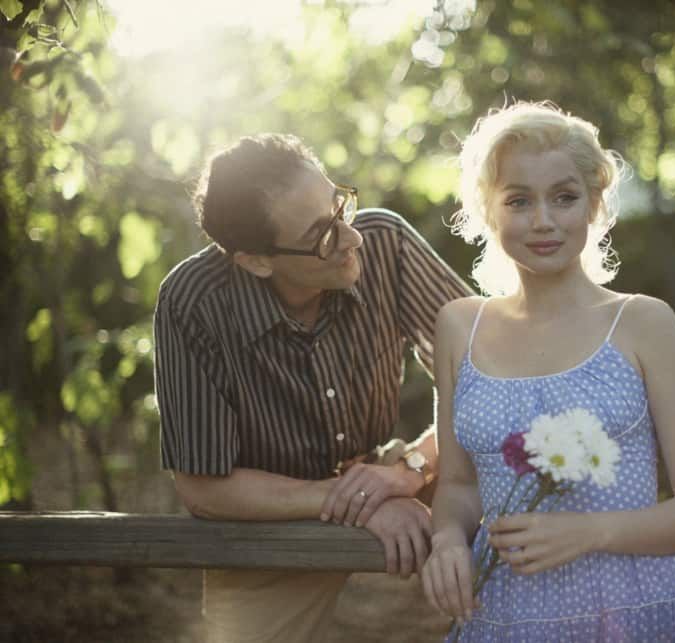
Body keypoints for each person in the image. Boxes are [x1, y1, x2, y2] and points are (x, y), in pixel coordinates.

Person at [421, 102, 675, 641]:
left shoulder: (643, 322)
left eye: (564, 197)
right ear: (486, 210)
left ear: (594, 204)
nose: (544, 220)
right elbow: (456, 485)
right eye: (519, 200)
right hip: (505, 613)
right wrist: (448, 539)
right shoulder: (459, 327)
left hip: (645, 609)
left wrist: (589, 531)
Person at [153, 133, 472, 643]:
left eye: (339, 205)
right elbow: (205, 488)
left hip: (391, 466)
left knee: (527, 492)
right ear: (256, 260)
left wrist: (409, 470)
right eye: (324, 234)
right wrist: (360, 499)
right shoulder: (194, 302)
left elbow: (494, 376)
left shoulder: (384, 241)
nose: (352, 238)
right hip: (269, 515)